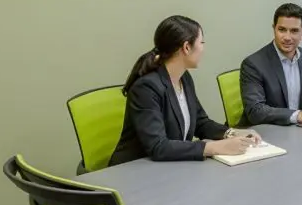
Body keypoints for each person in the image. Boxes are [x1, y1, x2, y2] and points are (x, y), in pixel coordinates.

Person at [109, 15, 261, 165]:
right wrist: (214, 147)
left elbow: (201, 122)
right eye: (201, 42)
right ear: (187, 47)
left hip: (169, 168)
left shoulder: (184, 77)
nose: (203, 49)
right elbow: (158, 146)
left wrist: (231, 133)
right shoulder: (146, 88)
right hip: (135, 171)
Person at [241, 3, 302, 126]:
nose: (287, 37)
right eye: (282, 30)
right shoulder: (253, 64)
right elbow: (256, 110)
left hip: (297, 131)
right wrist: (299, 115)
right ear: (274, 29)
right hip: (264, 134)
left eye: (294, 31)